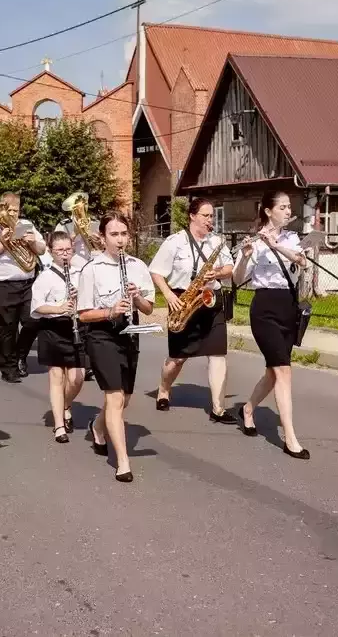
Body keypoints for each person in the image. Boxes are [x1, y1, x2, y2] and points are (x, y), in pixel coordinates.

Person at [231, 190, 311, 460]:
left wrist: (276, 245)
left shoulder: (291, 237)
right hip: (264, 308)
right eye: (283, 207)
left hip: (288, 305)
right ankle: (290, 438)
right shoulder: (255, 241)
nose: (288, 212)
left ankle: (248, 409)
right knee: (284, 371)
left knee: (273, 373)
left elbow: (300, 262)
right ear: (268, 211)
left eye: (290, 207)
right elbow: (237, 278)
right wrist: (244, 255)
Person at [77, 211, 155, 483]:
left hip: (129, 333)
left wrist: (137, 297)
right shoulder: (92, 269)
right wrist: (109, 311)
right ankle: (123, 461)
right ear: (103, 237)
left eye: (124, 234)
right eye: (114, 234)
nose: (120, 240)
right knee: (114, 397)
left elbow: (149, 308)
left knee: (125, 399)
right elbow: (83, 314)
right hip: (101, 335)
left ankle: (98, 427)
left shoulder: (137, 265)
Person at [149, 198, 235, 422]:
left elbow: (229, 268)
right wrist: (168, 295)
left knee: (217, 354)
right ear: (192, 216)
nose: (210, 220)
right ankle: (164, 390)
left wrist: (216, 274)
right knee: (177, 359)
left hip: (210, 300)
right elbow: (156, 272)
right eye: (206, 215)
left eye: (211, 216)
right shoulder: (175, 242)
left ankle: (218, 408)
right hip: (183, 300)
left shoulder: (216, 241)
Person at [0, 191, 46, 383]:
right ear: (2, 209)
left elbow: (42, 249)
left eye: (16, 210)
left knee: (33, 321)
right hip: (3, 285)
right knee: (7, 328)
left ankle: (20, 355)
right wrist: (3, 244)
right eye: (10, 210)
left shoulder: (26, 225)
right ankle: (8, 368)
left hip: (28, 283)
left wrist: (33, 243)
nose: (14, 214)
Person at [30, 231, 88, 444]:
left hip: (76, 328)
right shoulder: (45, 277)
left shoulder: (80, 272)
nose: (65, 254)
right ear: (51, 251)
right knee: (56, 376)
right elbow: (36, 307)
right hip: (52, 328)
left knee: (77, 378)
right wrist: (59, 307)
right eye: (60, 250)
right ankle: (59, 425)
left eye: (68, 250)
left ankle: (65, 404)